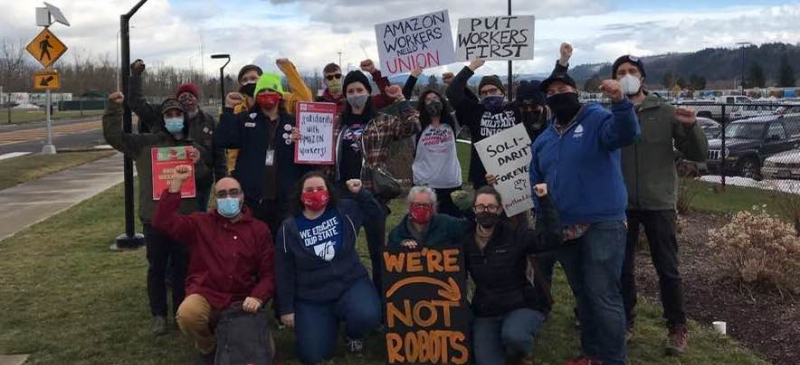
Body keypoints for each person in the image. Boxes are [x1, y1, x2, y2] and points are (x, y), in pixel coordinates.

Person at [530, 69, 640, 365]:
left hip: (602, 222)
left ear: (575, 91)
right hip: (563, 227)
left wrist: (620, 101)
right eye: (550, 93)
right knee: (583, 294)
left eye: (562, 89)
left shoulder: (597, 118)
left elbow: (627, 133)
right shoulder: (544, 139)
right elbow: (535, 182)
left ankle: (614, 360)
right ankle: (592, 355)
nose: (556, 95)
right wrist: (545, 219)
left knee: (602, 293)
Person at [611, 55, 708, 354]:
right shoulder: (610, 114)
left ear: (642, 77)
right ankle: (625, 323)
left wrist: (691, 128)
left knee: (667, 269)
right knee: (622, 268)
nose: (627, 76)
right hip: (620, 203)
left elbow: (698, 152)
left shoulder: (665, 112)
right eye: (621, 72)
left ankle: (677, 328)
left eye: (632, 71)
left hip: (660, 202)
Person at [103, 92, 210, 335]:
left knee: (184, 268)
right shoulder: (145, 143)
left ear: (184, 118)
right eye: (169, 115)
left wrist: (199, 162)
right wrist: (114, 109)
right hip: (155, 219)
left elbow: (204, 181)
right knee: (157, 268)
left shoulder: (192, 147)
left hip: (185, 219)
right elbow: (113, 136)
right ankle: (159, 315)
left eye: (178, 114)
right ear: (163, 119)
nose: (174, 118)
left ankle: (182, 312)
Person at [152, 166, 275, 365]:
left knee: (262, 352)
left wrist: (257, 296)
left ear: (242, 196)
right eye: (222, 194)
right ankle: (208, 347)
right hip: (207, 293)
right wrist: (175, 185)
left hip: (242, 300)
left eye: (234, 193)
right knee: (187, 314)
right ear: (215, 199)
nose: (228, 197)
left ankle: (232, 338)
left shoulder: (259, 230)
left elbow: (269, 273)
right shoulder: (200, 223)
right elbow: (163, 222)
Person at [275, 172, 384, 364]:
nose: (315, 193)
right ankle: (327, 324)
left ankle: (353, 333)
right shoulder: (289, 228)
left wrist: (361, 194)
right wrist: (286, 309)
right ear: (301, 195)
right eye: (309, 190)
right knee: (312, 355)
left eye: (320, 189)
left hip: (351, 284)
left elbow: (376, 215)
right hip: (312, 297)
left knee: (368, 316)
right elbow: (284, 271)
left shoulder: (346, 210)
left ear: (329, 191)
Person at [334, 70, 420, 292]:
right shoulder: (336, 124)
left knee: (377, 252)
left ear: (368, 92)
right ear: (345, 96)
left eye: (360, 90)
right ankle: (349, 294)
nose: (355, 94)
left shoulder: (383, 121)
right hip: (343, 195)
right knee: (342, 250)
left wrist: (400, 99)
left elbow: (412, 126)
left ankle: (382, 298)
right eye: (350, 91)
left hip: (373, 193)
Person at [447, 45, 571, 189]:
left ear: (502, 92)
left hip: (516, 180)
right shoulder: (475, 112)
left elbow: (542, 91)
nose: (489, 95)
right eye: (484, 93)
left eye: (493, 90)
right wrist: (471, 67)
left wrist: (562, 63)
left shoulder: (516, 109)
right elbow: (452, 93)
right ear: (479, 96)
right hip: (484, 181)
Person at [215, 72, 316, 235]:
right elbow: (222, 140)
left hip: (285, 200)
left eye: (271, 90)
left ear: (280, 95)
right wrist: (227, 110)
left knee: (283, 244)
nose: (266, 94)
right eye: (261, 91)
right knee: (254, 243)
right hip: (253, 199)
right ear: (255, 96)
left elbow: (309, 164)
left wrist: (303, 143)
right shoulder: (245, 120)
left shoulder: (294, 122)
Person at [128, 59, 226, 211]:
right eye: (183, 97)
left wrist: (222, 183)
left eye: (191, 96)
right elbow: (137, 103)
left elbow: (219, 157)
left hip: (200, 183)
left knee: (196, 223)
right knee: (167, 220)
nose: (187, 99)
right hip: (168, 181)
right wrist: (136, 76)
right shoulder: (160, 117)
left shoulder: (210, 122)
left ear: (197, 99)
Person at [227, 59, 313, 174]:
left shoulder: (283, 98)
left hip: (283, 164)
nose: (249, 82)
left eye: (253, 78)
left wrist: (288, 70)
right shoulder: (239, 109)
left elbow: (306, 101)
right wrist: (232, 170)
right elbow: (234, 146)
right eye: (245, 80)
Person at [411, 90, 464, 217]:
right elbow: (401, 101)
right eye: (428, 100)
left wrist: (456, 83)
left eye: (435, 98)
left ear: (442, 101)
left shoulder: (452, 122)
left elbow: (464, 104)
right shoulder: (416, 125)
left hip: (451, 185)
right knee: (423, 225)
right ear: (422, 105)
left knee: (452, 226)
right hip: (423, 185)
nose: (432, 102)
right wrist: (413, 76)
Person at [387, 186, 465, 248]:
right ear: (410, 206)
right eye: (417, 205)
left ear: (433, 207)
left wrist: (467, 208)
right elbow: (389, 255)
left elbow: (469, 225)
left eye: (426, 205)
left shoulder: (447, 224)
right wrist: (401, 246)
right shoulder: (397, 233)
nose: (421, 208)